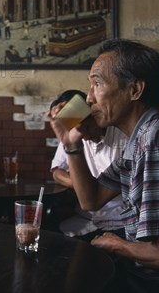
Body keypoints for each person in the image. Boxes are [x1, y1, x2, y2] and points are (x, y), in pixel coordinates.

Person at [49, 39, 159, 291]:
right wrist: (71, 145)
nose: (88, 98)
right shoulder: (141, 136)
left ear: (135, 90)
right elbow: (91, 200)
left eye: (97, 83)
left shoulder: (155, 142)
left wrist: (116, 244)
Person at [49, 90, 127, 240]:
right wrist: (79, 184)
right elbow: (57, 171)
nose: (84, 135)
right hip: (86, 218)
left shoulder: (123, 139)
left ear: (95, 115)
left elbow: (93, 200)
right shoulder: (75, 135)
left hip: (118, 221)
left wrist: (87, 187)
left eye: (87, 127)